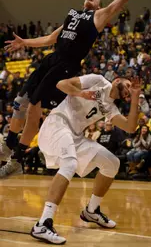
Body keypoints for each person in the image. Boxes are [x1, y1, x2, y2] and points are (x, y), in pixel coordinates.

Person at [0, 0, 151, 178]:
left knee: (34, 106)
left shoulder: (98, 17)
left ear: (99, 6)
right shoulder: (73, 17)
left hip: (65, 66)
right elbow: (50, 39)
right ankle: (10, 144)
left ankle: (17, 159)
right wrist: (25, 42)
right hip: (51, 59)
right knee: (20, 101)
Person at [30, 74, 141, 244]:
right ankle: (43, 223)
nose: (128, 90)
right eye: (128, 85)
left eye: (130, 90)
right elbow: (61, 83)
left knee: (112, 163)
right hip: (58, 123)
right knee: (70, 163)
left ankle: (92, 210)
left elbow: (131, 127)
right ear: (117, 80)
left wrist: (135, 98)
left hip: (76, 135)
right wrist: (81, 93)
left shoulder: (111, 108)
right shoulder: (97, 81)